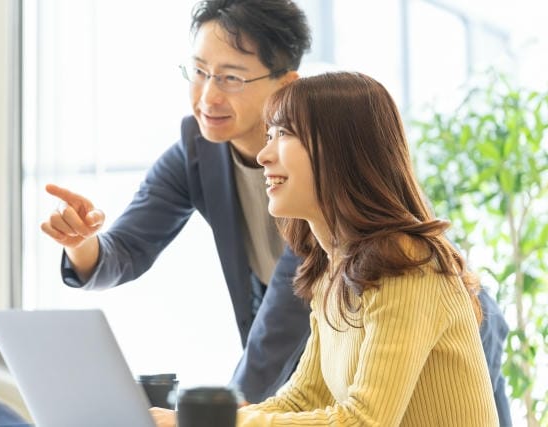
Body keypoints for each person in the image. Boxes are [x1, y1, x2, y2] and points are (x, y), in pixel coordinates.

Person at [41, 1, 511, 421]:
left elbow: (303, 368)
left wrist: (211, 419)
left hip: (438, 321)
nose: (208, 96)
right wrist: (82, 242)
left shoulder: (398, 265)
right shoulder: (325, 259)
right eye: (199, 71)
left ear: (285, 83)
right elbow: (302, 397)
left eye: (231, 77)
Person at [153, 71, 500, 426]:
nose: (263, 155)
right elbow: (303, 398)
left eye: (285, 134)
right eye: (269, 135)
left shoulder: (407, 264)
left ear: (341, 151)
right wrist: (190, 419)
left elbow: (363, 421)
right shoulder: (333, 267)